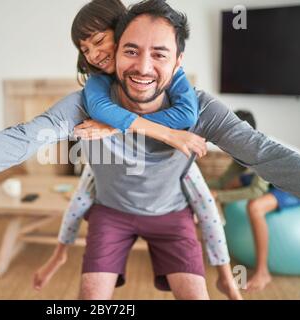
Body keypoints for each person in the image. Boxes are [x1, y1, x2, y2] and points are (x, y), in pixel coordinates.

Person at [0, 0, 300, 300]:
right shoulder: (86, 101)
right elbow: (23, 138)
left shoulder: (198, 109)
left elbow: (265, 153)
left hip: (172, 215)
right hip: (112, 212)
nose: (142, 66)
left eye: (159, 54)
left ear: (178, 62)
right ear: (113, 53)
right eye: (131, 51)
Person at [33, 0, 240, 300]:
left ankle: (227, 280)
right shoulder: (97, 84)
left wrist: (118, 126)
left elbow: (186, 117)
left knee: (205, 215)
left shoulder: (170, 76)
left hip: (170, 207)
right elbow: (80, 197)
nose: (92, 54)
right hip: (113, 206)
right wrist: (58, 256)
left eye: (99, 41)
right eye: (84, 49)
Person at [209, 110, 300, 292]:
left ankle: (263, 272)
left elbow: (256, 191)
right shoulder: (239, 150)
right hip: (273, 181)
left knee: (255, 207)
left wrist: (218, 196)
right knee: (233, 183)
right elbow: (223, 182)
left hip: (296, 184)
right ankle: (222, 243)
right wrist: (197, 184)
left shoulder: (262, 150)